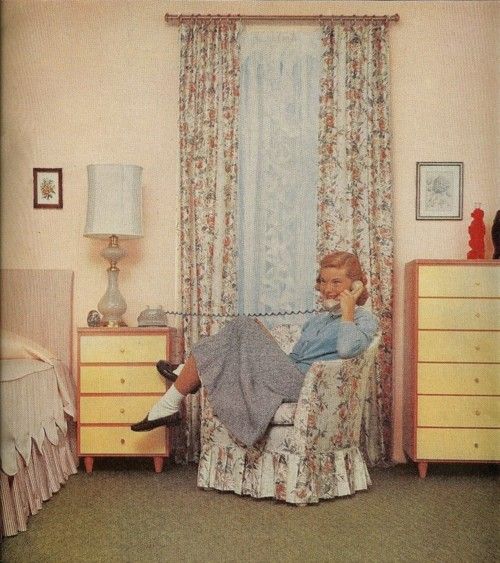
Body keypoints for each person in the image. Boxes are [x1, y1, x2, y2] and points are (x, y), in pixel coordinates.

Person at [131, 251, 378, 447]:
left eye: (336, 282)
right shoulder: (319, 319)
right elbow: (294, 357)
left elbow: (347, 351)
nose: (327, 289)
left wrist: (348, 311)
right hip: (290, 374)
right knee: (251, 326)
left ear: (355, 285)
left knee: (243, 325)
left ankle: (173, 396)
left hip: (306, 385)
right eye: (323, 281)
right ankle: (182, 384)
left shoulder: (364, 319)